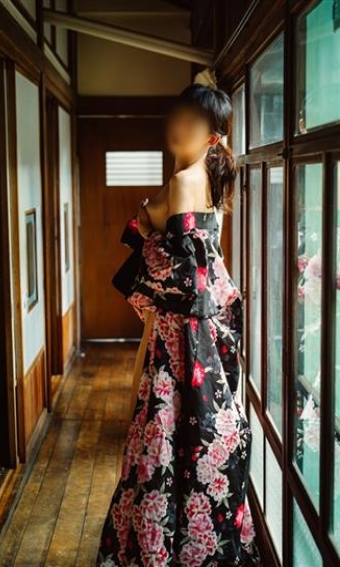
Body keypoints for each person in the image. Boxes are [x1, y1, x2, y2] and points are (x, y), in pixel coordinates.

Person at [96, 83, 263, 567]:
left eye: (193, 121)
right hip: (195, 332)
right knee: (189, 438)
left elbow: (184, 276)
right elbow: (203, 267)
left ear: (212, 137)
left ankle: (162, 548)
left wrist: (146, 233)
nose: (179, 126)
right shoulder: (203, 179)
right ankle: (196, 544)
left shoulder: (186, 180)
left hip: (180, 335)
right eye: (179, 115)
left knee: (163, 437)